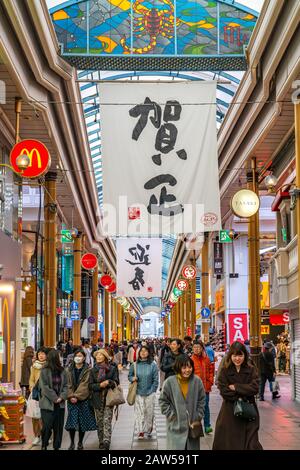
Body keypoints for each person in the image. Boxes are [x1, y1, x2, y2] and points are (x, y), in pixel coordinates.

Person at [212, 342, 263, 450]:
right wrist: (245, 392)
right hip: (230, 412)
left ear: (245, 355)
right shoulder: (225, 371)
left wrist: (236, 387)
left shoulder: (251, 369)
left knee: (251, 443)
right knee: (229, 443)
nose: (237, 359)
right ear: (230, 356)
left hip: (249, 411)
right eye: (235, 355)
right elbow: (224, 391)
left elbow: (255, 388)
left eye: (240, 355)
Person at [159, 355, 206, 450]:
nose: (187, 370)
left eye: (189, 367)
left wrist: (198, 415)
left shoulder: (197, 381)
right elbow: (163, 401)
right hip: (175, 426)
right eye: (184, 367)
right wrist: (171, 415)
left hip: (192, 426)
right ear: (178, 367)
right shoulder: (169, 382)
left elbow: (202, 400)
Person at [65, 348, 97, 450]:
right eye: (76, 356)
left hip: (83, 399)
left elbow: (85, 384)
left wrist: (77, 396)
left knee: (82, 422)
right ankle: (72, 443)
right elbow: (67, 384)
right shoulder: (68, 369)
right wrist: (71, 396)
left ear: (84, 358)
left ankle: (80, 442)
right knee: (71, 422)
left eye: (80, 356)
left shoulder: (88, 370)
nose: (78, 358)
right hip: (71, 400)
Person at [89, 349, 119, 450]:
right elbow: (90, 385)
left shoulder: (112, 368)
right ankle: (101, 440)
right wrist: (100, 385)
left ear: (105, 357)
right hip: (97, 398)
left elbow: (116, 382)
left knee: (107, 420)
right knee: (100, 422)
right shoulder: (93, 370)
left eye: (101, 355)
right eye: (97, 355)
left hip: (108, 398)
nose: (98, 357)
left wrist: (108, 382)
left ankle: (107, 441)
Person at [39, 349, 68, 450]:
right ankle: (44, 445)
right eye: (59, 356)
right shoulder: (44, 370)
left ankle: (57, 447)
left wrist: (62, 397)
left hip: (60, 405)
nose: (61, 358)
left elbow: (66, 386)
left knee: (58, 428)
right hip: (47, 404)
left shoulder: (63, 371)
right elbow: (44, 387)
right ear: (55, 358)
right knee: (47, 427)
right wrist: (55, 398)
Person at [128, 345, 159, 440]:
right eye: (141, 351)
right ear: (139, 353)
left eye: (145, 351)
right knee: (139, 412)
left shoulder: (153, 364)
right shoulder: (134, 364)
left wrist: (153, 390)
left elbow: (156, 379)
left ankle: (148, 429)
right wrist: (132, 378)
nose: (143, 353)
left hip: (150, 392)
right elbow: (129, 376)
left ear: (149, 353)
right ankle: (140, 431)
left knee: (149, 412)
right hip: (138, 392)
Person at [191, 342, 214, 434]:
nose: (196, 349)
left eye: (198, 347)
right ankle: (196, 425)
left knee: (205, 407)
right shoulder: (191, 360)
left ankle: (207, 425)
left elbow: (211, 371)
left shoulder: (206, 359)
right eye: (195, 347)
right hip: (194, 388)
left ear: (202, 348)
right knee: (195, 407)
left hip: (205, 387)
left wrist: (210, 382)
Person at [28, 347, 48, 446]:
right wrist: (31, 387)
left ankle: (46, 436)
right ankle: (37, 436)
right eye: (39, 353)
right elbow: (31, 379)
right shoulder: (34, 366)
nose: (41, 355)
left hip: (46, 394)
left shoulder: (49, 366)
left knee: (44, 416)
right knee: (35, 416)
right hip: (36, 394)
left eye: (43, 354)